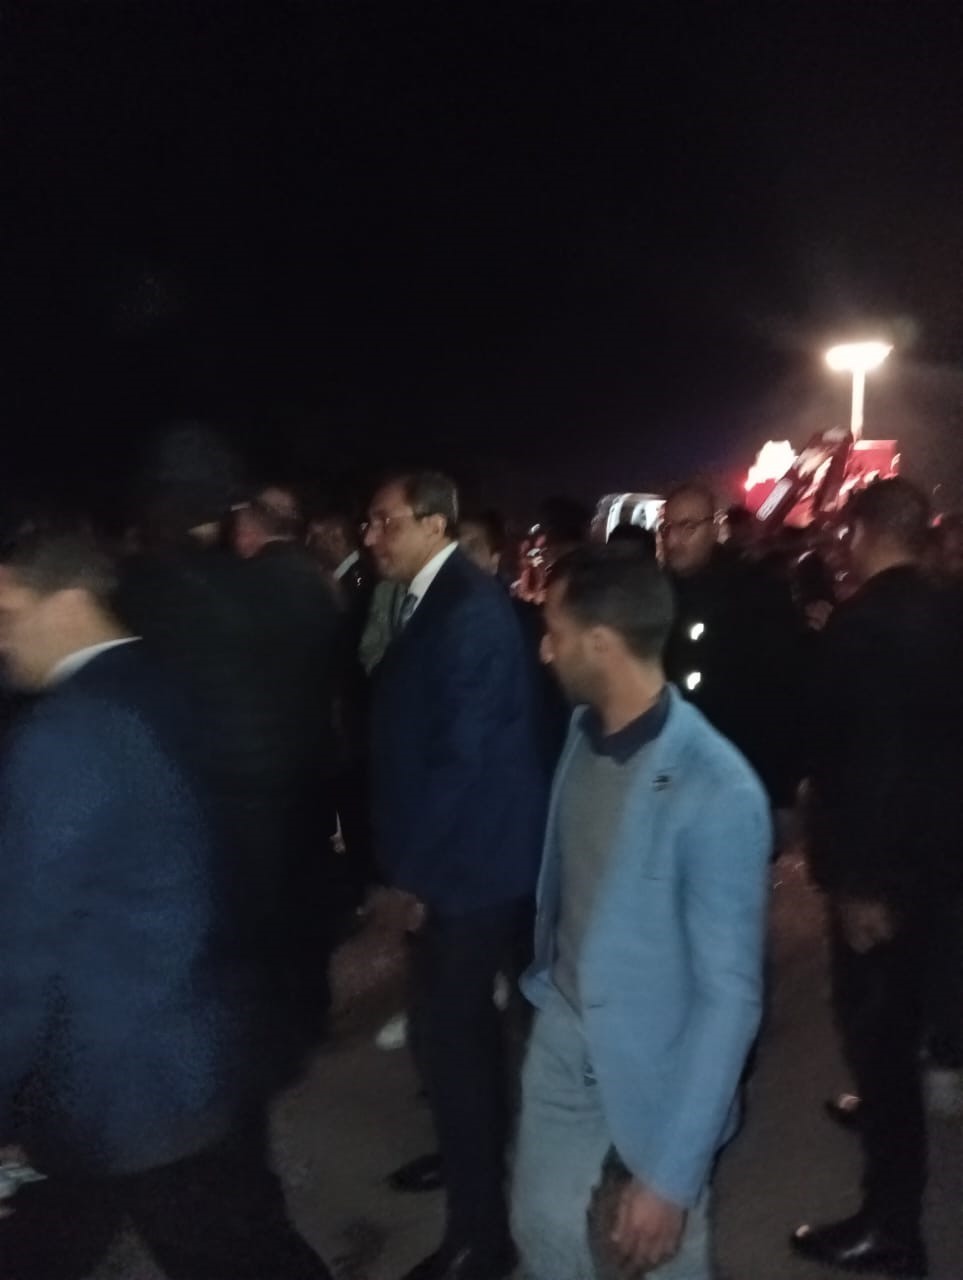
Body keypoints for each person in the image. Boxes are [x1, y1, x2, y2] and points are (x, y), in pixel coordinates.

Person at [0, 529, 331, 1280]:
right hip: (198, 1044)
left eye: (9, 612)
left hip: (128, 1082)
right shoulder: (165, 681)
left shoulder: (63, 736)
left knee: (236, 1252)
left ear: (69, 601)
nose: (2, 636)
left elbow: (21, 950)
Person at [511, 545, 771, 1280]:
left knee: (665, 1253)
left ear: (600, 643)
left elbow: (730, 998)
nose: (544, 649)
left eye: (555, 632)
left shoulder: (717, 789)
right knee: (539, 1223)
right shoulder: (581, 731)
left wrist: (672, 1178)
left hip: (662, 1049)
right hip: (565, 1024)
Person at [364, 472, 546, 1280]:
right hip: (460, 859)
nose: (372, 536)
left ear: (434, 523)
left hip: (465, 868)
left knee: (453, 1042)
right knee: (457, 1042)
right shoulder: (432, 597)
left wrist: (409, 876)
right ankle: (467, 1160)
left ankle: (480, 1237)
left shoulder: (466, 608)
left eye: (385, 521)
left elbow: (461, 762)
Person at [791, 479, 963, 1278]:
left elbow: (859, 763)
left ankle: (891, 1225)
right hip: (939, 862)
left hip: (885, 875)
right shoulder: (948, 608)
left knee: (880, 1045)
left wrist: (856, 881)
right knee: (909, 1029)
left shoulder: (863, 624)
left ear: (862, 533)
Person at [233, 485, 344, 1032]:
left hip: (267, 763)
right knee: (310, 882)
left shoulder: (246, 585)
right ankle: (312, 1003)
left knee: (273, 894)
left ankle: (281, 1014)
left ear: (250, 528)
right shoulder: (320, 581)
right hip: (316, 753)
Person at [661, 481, 806, 814]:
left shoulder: (757, 591)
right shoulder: (656, 593)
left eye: (687, 527)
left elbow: (784, 688)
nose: (673, 540)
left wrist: (782, 787)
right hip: (677, 774)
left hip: (740, 765)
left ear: (715, 528)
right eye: (667, 528)